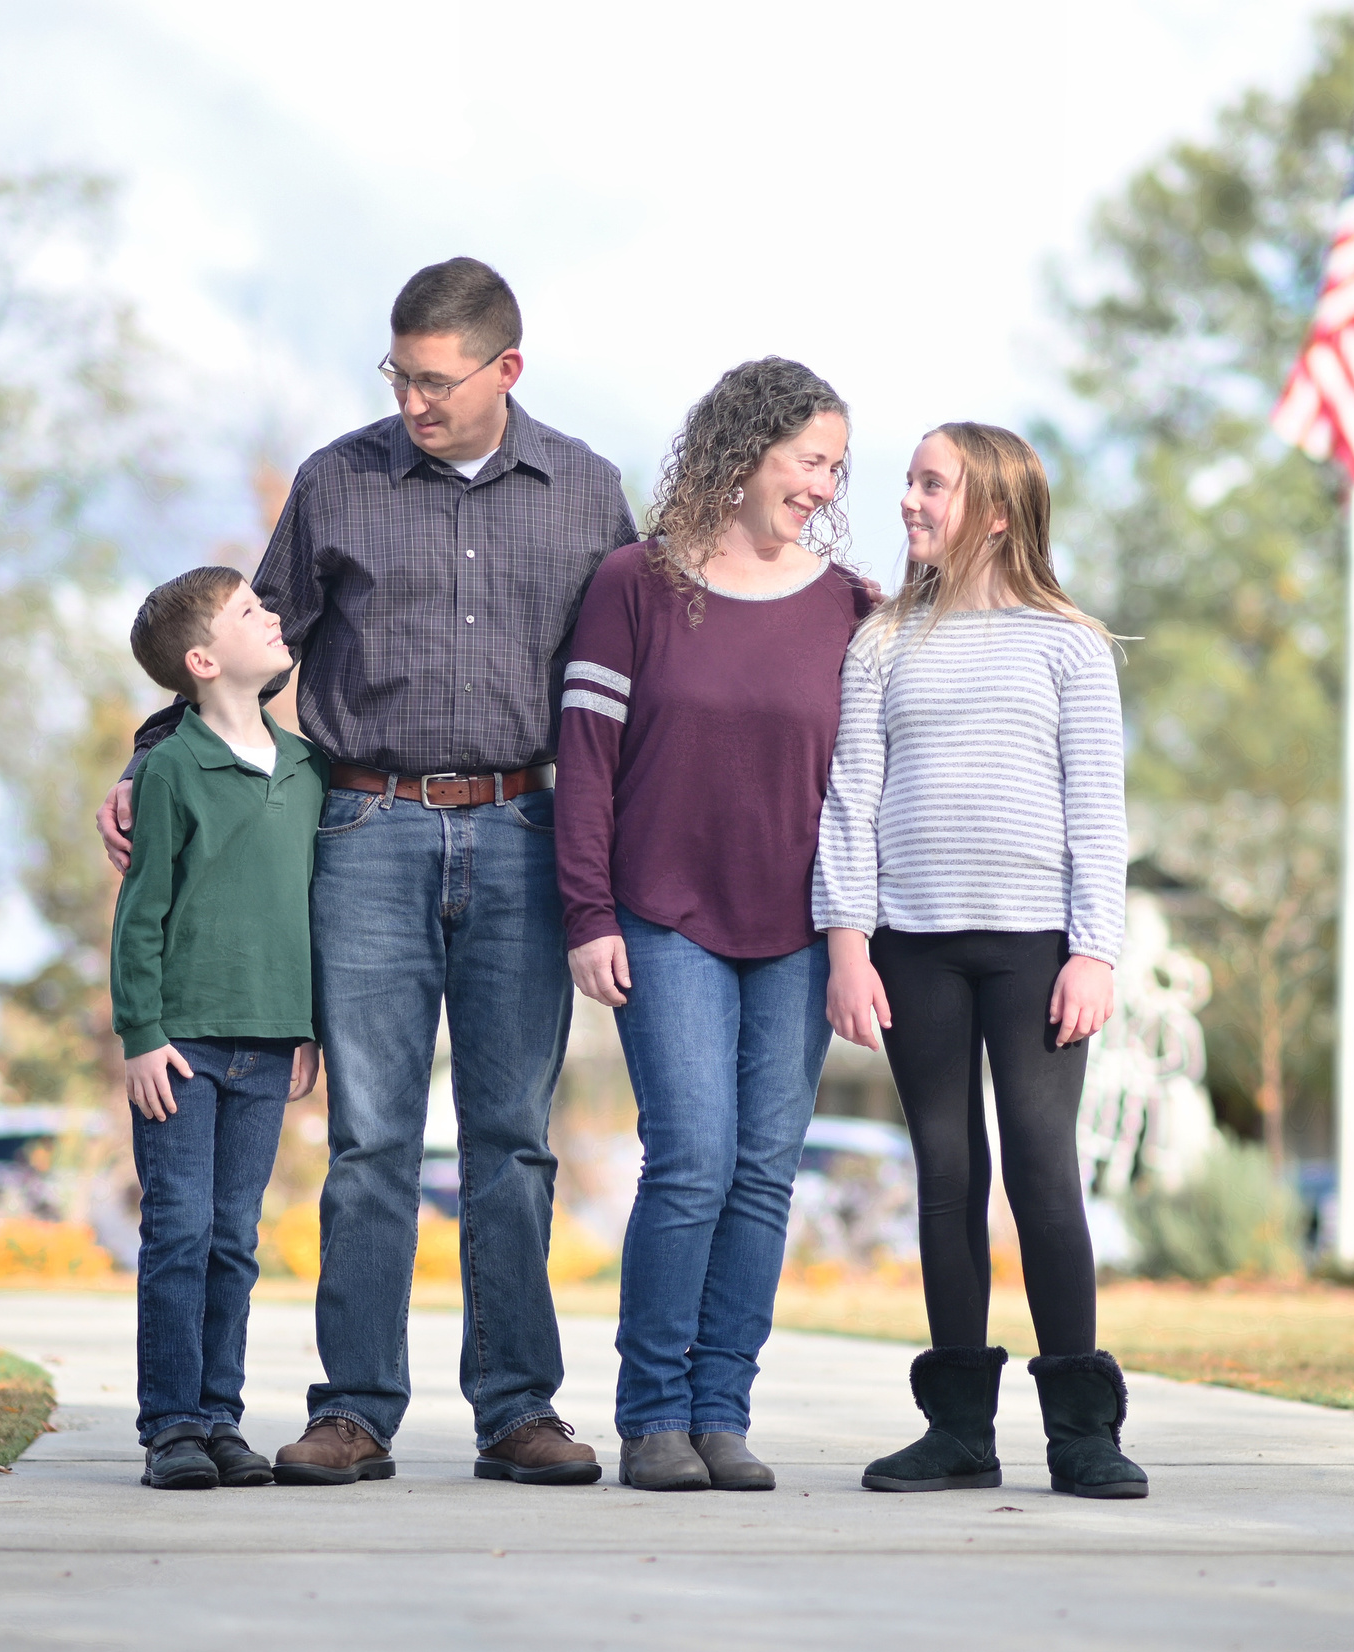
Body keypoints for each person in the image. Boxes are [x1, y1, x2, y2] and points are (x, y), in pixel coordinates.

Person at [98, 259, 635, 1487]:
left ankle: (517, 1412)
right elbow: (243, 650)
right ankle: (353, 1409)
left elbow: (628, 676)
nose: (413, 401)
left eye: (436, 380)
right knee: (371, 1139)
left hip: (519, 832)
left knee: (511, 1141)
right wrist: (146, 763)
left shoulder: (588, 493)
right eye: (398, 375)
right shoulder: (337, 481)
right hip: (363, 833)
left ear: (507, 370)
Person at [556, 359, 877, 1492]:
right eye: (808, 460)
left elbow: (870, 780)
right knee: (690, 1158)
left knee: (762, 1172)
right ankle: (651, 1416)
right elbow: (585, 762)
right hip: (662, 914)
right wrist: (587, 912)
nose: (823, 486)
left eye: (835, 467)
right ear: (746, 450)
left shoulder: (851, 606)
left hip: (797, 925)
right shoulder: (635, 584)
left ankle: (720, 1410)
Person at [814, 422, 1148, 1500]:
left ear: (995, 512)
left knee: (1042, 1173)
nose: (907, 500)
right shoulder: (880, 642)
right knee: (947, 1178)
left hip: (1035, 951)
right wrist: (849, 945)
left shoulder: (1068, 645)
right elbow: (850, 803)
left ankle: (1081, 1432)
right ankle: (957, 1428)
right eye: (907, 482)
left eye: (931, 484)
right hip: (913, 949)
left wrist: (1093, 950)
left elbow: (1098, 815)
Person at [111, 566, 327, 1490]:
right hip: (183, 1047)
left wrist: (308, 1028)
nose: (271, 615)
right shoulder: (171, 768)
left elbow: (311, 909)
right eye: (249, 611)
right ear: (203, 661)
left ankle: (220, 1417)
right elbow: (140, 910)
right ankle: (170, 1428)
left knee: (235, 1237)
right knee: (181, 1231)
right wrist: (140, 1034)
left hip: (270, 1041)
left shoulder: (308, 769)